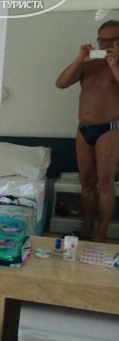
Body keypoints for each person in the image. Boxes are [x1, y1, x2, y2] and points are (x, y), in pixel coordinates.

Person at [55, 20, 119, 242]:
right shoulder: (89, 63)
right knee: (86, 180)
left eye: (113, 40)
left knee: (105, 182)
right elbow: (61, 83)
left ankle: (101, 232)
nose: (106, 44)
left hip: (110, 129)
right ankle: (87, 227)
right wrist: (80, 59)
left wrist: (115, 65)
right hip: (84, 129)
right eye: (102, 39)